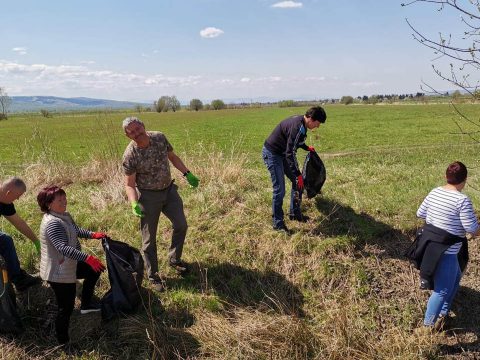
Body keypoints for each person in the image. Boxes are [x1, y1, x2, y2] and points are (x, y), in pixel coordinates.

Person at [122, 116, 199, 291]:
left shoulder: (159, 137)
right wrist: (134, 203)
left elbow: (172, 157)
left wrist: (187, 174)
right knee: (149, 239)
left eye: (137, 128)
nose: (136, 133)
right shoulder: (130, 155)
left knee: (181, 225)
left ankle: (174, 259)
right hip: (149, 197)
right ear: (128, 136)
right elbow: (129, 184)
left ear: (143, 125)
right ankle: (153, 275)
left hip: (169, 191)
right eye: (131, 132)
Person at [37, 185, 107, 344]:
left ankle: (86, 304)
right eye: (59, 200)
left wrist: (93, 235)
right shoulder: (53, 223)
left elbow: (75, 230)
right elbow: (63, 248)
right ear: (48, 204)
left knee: (95, 270)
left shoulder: (63, 215)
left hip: (69, 264)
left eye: (65, 198)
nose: (64, 202)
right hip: (58, 272)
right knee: (66, 308)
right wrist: (88, 257)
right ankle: (63, 342)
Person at [416, 161, 480, 330]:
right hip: (448, 252)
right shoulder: (462, 200)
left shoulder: (435, 192)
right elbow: (472, 228)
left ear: (446, 176)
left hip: (430, 247)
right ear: (464, 180)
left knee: (456, 277)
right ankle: (427, 328)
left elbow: (420, 213)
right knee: (442, 291)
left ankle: (443, 315)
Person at [262, 106, 327, 233]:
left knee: (299, 183)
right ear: (311, 118)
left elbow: (297, 142)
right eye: (317, 124)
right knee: (280, 189)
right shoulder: (297, 127)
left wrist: (308, 148)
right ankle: (278, 224)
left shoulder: (302, 125)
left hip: (282, 153)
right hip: (273, 154)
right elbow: (290, 152)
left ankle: (295, 214)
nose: (317, 127)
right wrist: (298, 174)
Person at [0, 177, 41, 291]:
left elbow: (19, 223)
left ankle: (18, 279)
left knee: (6, 241)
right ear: (8, 193)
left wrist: (36, 241)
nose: (17, 199)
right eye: (17, 196)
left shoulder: (5, 202)